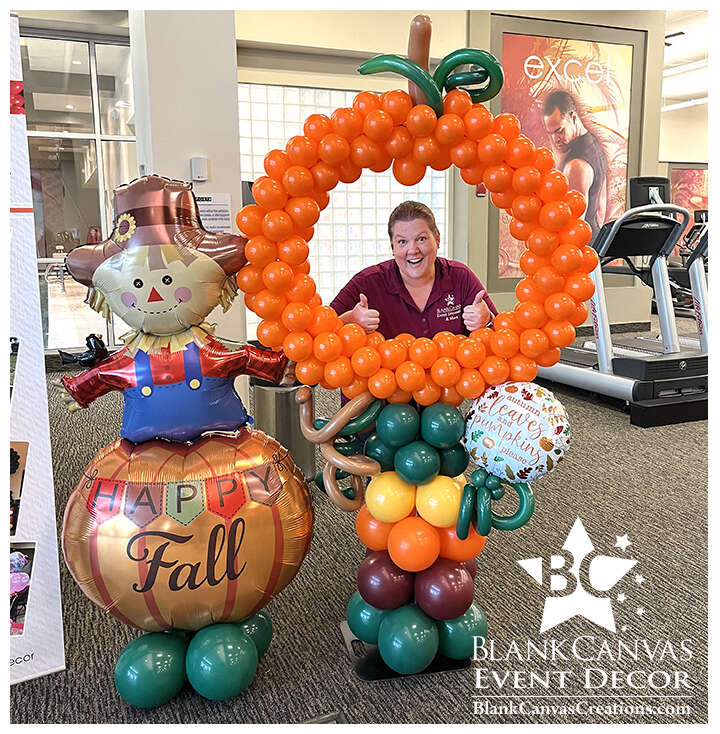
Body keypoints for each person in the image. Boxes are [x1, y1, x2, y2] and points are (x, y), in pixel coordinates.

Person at [330, 201, 496, 339]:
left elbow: (500, 336)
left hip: (452, 378)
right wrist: (349, 320)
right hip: (387, 379)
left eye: (421, 239)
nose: (413, 250)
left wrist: (487, 320)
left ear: (437, 239)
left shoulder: (461, 277)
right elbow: (322, 333)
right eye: (402, 242)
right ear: (392, 247)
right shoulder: (367, 282)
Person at [543, 90, 607, 238]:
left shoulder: (576, 166)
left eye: (559, 131)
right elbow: (600, 209)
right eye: (550, 133)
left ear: (573, 117)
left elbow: (572, 228)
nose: (555, 139)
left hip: (577, 252)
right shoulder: (595, 145)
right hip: (592, 244)